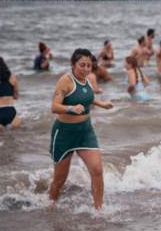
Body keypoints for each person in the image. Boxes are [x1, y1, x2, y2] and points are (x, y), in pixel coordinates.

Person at [48, 49, 114, 210]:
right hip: (64, 133)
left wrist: (101, 104)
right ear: (73, 64)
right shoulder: (65, 80)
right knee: (60, 179)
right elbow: (54, 107)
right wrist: (70, 108)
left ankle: (99, 210)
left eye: (89, 65)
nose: (85, 69)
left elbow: (87, 98)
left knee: (97, 170)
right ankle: (50, 206)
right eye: (82, 65)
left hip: (85, 131)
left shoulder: (88, 78)